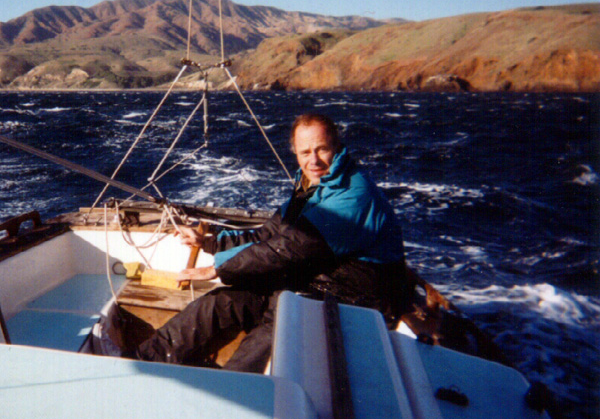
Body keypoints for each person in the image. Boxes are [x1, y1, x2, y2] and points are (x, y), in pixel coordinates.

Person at [124, 113, 408, 372]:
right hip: (305, 278)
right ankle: (140, 362)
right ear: (295, 153)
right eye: (305, 152)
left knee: (276, 330)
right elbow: (267, 235)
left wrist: (218, 270)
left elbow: (293, 247)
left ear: (337, 146)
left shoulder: (352, 196)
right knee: (218, 303)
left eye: (322, 149)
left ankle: (230, 396)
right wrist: (209, 242)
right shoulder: (310, 187)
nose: (314, 160)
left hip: (349, 296)